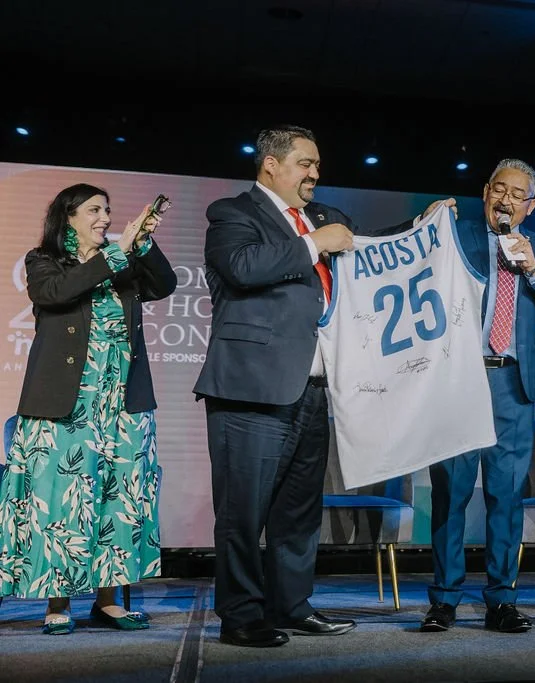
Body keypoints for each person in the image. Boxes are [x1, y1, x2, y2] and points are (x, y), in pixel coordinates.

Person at [194, 124, 451, 648]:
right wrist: (312, 243)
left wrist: (420, 226)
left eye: (316, 164)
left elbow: (372, 253)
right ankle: (241, 616)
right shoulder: (232, 214)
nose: (316, 173)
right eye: (306, 163)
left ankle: (291, 606)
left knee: (298, 512)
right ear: (272, 164)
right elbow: (243, 268)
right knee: (242, 513)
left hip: (313, 390)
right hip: (249, 391)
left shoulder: (324, 218)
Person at [0, 183, 176, 634]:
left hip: (122, 402)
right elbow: (56, 293)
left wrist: (144, 244)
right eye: (94, 209)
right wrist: (118, 251)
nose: (104, 217)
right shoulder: (44, 261)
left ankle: (108, 600)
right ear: (68, 217)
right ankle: (57, 603)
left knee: (118, 499)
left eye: (109, 210)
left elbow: (165, 284)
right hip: (64, 404)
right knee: (63, 502)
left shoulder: (123, 266)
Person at [420, 158, 535, 634]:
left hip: (512, 385)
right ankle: (443, 600)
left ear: (530, 205)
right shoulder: (456, 234)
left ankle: (501, 600)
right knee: (451, 495)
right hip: (459, 382)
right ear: (486, 192)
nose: (505, 200)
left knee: (506, 498)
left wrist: (532, 268)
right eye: (499, 190)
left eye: (516, 194)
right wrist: (424, 227)